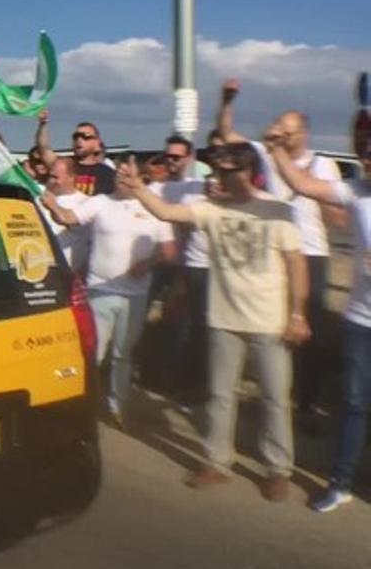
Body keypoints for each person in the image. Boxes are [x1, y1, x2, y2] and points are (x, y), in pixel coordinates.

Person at [119, 143, 309, 502]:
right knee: (220, 396)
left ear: (249, 172)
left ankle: (277, 469)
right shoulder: (210, 210)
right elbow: (166, 212)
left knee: (275, 398)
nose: (218, 176)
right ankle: (217, 462)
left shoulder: (277, 211)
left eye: (227, 169)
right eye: (216, 169)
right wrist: (139, 187)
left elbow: (297, 264)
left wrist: (298, 313)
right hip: (224, 319)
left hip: (270, 321)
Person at [215, 79, 344, 432]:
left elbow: (333, 211)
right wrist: (228, 100)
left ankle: (307, 403)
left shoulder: (321, 165)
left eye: (288, 132)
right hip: (275, 254)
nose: (282, 137)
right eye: (279, 130)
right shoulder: (267, 154)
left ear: (302, 133)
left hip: (311, 254)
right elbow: (226, 132)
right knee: (275, 327)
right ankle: (276, 395)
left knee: (308, 329)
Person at [263, 125, 371, 512]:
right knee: (354, 402)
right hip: (360, 321)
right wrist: (276, 151)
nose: (368, 162)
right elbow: (302, 183)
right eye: (366, 156)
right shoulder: (356, 193)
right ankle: (340, 482)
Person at [41, 163, 177, 428]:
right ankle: (82, 406)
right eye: (118, 175)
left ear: (140, 177)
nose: (121, 180)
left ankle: (118, 407)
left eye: (127, 175)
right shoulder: (100, 202)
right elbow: (69, 218)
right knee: (93, 354)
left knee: (123, 354)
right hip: (99, 290)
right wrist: (52, 205)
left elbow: (170, 252)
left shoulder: (155, 207)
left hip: (135, 295)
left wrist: (148, 263)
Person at [150, 135, 211, 403]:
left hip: (193, 267)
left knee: (188, 326)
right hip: (160, 264)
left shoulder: (198, 188)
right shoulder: (156, 189)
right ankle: (158, 375)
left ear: (189, 157)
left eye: (177, 157)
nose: (171, 162)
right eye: (168, 157)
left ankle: (186, 382)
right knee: (160, 322)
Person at [34, 108, 116, 196]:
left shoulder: (108, 173)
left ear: (97, 143)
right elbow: (43, 148)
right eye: (76, 136)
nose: (79, 140)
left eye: (86, 137)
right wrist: (42, 125)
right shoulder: (64, 166)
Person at [42, 157, 89, 275]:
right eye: (50, 176)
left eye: (56, 177)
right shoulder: (41, 199)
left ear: (71, 177)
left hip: (67, 274)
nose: (52, 181)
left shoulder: (85, 204)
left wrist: (53, 207)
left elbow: (66, 220)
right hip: (42, 269)